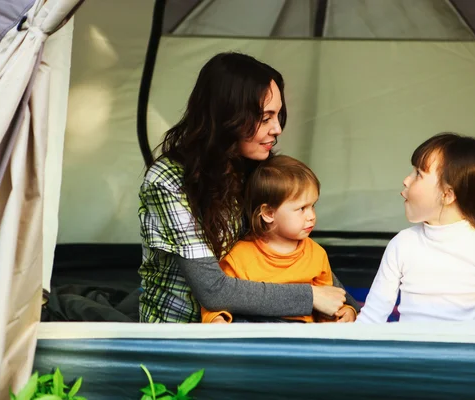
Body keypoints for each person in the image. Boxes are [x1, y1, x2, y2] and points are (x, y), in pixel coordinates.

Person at [138, 52, 353, 323]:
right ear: (228, 118)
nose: (277, 128)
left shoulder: (254, 165)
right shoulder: (167, 181)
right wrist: (311, 296)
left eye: (278, 115)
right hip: (183, 332)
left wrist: (348, 305)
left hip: (253, 322)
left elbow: (299, 250)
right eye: (265, 118)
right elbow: (213, 290)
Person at [356, 133, 475, 323]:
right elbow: (372, 317)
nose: (406, 180)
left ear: (447, 195)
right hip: (412, 353)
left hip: (465, 353)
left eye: (418, 174)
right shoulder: (402, 245)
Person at [202, 155, 358, 323]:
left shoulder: (317, 255)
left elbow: (329, 303)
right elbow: (220, 302)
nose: (312, 216)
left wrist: (346, 312)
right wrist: (217, 319)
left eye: (313, 206)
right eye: (302, 208)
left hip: (301, 334)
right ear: (269, 213)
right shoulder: (239, 256)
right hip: (255, 331)